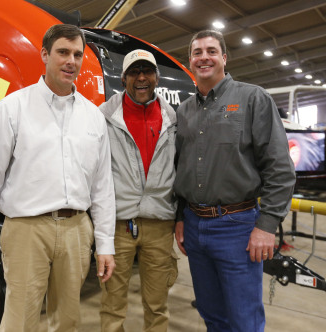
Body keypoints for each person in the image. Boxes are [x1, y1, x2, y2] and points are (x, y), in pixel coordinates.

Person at [0, 24, 116, 332]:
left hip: (77, 229)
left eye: (77, 54)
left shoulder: (93, 117)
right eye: (63, 52)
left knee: (67, 320)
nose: (71, 61)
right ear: (45, 55)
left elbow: (103, 188)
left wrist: (105, 243)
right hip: (26, 230)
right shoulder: (14, 108)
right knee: (20, 320)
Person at [174, 30, 296, 331]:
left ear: (224, 58)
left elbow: (279, 169)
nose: (204, 57)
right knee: (211, 313)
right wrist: (180, 217)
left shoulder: (253, 98)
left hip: (237, 228)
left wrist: (266, 226)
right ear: (190, 60)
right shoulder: (184, 111)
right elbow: (180, 168)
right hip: (194, 224)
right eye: (197, 52)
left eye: (211, 51)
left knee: (244, 319)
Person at [99, 49, 178, 331]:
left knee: (157, 306)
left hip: (159, 224)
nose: (141, 78)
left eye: (147, 71)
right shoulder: (104, 118)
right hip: (118, 225)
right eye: (134, 72)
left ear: (157, 78)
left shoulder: (172, 119)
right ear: (123, 79)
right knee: (112, 306)